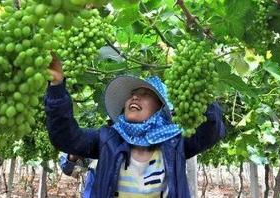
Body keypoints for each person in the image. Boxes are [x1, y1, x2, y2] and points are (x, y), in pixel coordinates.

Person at [45, 54, 226, 197]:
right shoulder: (107, 137)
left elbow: (212, 130)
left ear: (161, 108)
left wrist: (202, 90)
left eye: (145, 94)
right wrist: (56, 86)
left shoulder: (174, 142)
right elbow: (66, 137)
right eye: (132, 94)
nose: (135, 97)